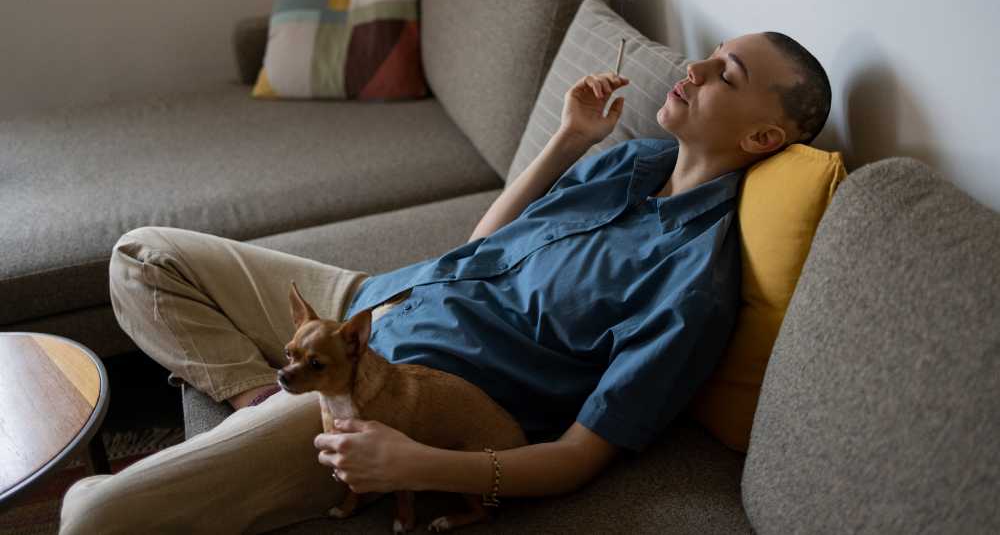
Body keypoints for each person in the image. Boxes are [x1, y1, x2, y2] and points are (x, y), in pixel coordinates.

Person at [59, 31, 831, 534]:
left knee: (93, 514)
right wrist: (567, 138)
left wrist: (416, 463)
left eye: (724, 74)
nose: (692, 69)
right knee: (141, 256)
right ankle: (261, 401)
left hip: (401, 388)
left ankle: (297, 417)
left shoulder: (691, 287)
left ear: (763, 136)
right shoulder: (631, 162)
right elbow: (479, 250)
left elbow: (575, 458)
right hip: (375, 299)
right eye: (711, 55)